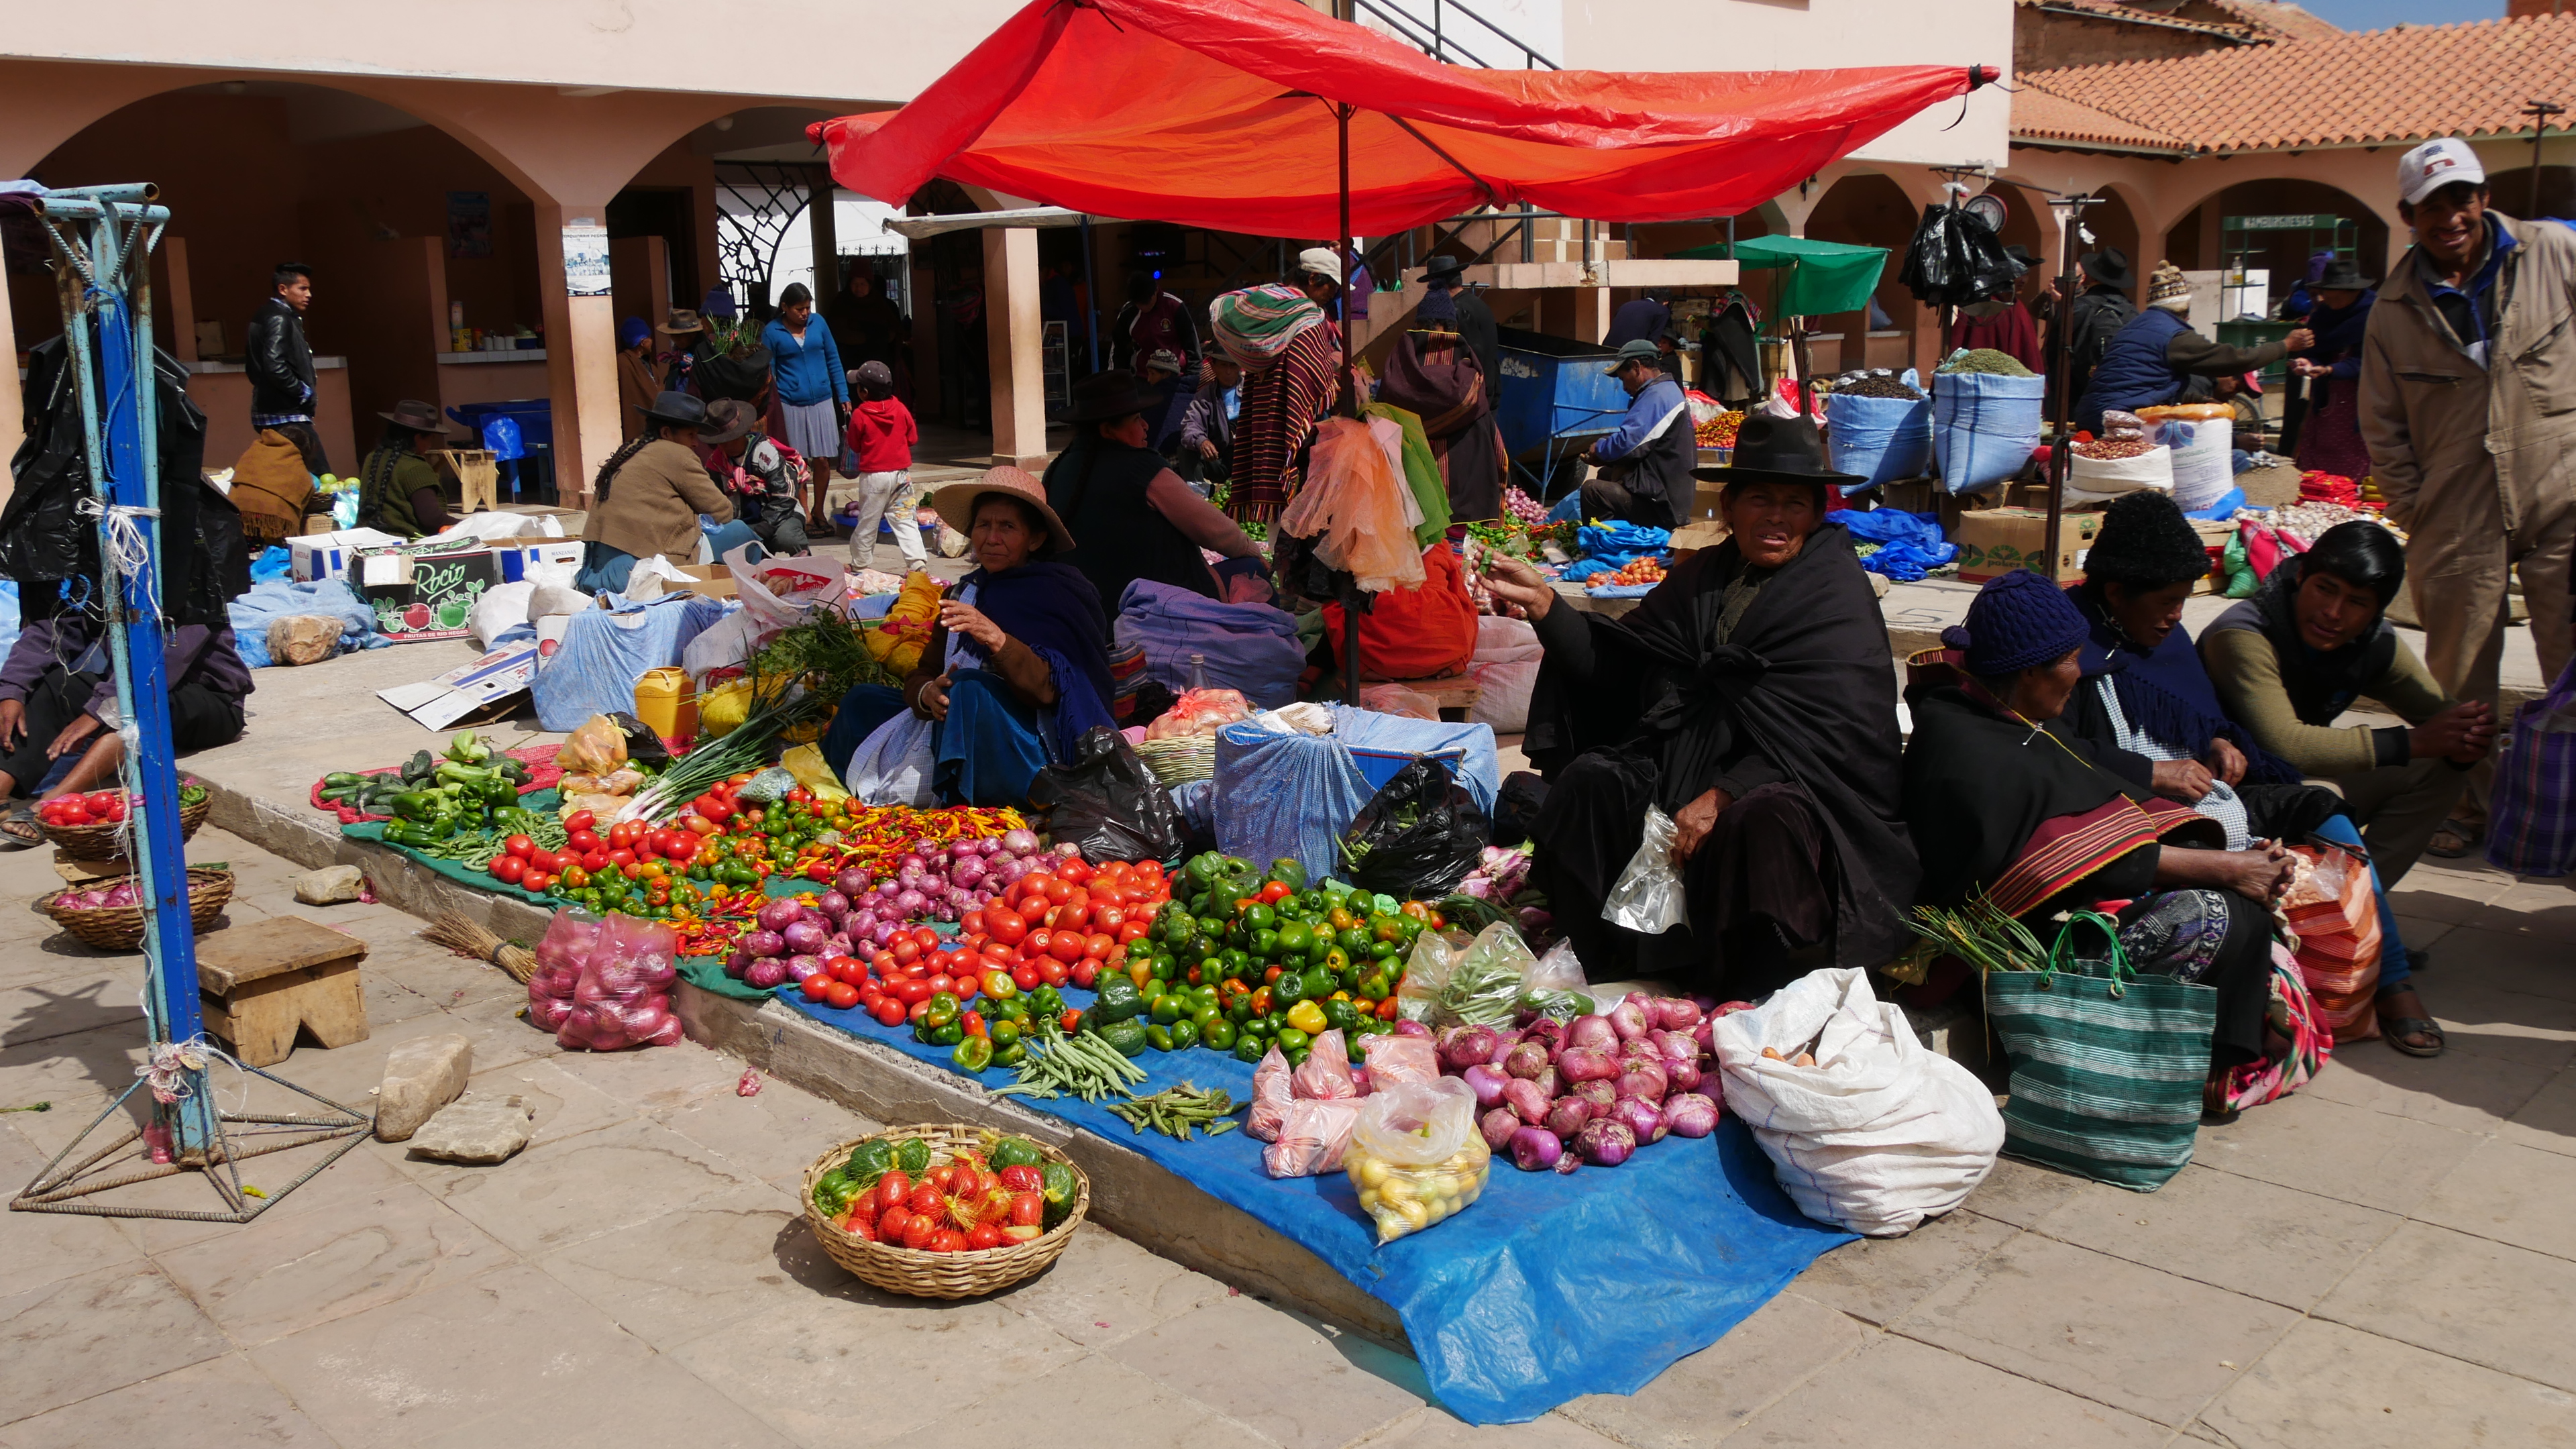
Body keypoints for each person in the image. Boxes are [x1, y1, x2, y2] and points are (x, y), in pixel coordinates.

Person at [1487, 413, 1917, 992]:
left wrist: (1725, 792)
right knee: (1593, 781)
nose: (1776, 517)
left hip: (1795, 781)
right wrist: (1546, 605)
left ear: (1817, 515)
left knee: (1761, 822)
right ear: (1730, 506)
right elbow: (1623, 664)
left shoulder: (1834, 594)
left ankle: (1749, 987)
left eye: (1794, 504)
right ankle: (1602, 960)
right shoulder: (1707, 575)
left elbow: (1840, 733)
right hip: (1686, 760)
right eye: (1760, 499)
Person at [2068, 492, 2441, 1055]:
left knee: (2316, 805)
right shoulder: (2067, 642)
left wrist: (2218, 741)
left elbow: (2197, 713)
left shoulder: (2163, 639)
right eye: (2167, 602)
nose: (2177, 615)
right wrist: (2152, 772)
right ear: (2117, 593)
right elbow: (2053, 748)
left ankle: (2390, 978)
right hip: (2127, 813)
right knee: (2238, 872)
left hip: (2200, 795)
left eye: (2183, 600)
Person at [1905, 570, 2297, 1102]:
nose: (2080, 673)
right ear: (2029, 672)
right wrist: (2228, 869)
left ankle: (2217, 1060)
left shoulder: (2010, 714)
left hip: (2063, 913)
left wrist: (2230, 860)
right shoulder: (1974, 750)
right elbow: (2060, 860)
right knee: (2211, 914)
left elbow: (2089, 779)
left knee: (2237, 898)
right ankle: (2133, 1066)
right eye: (2071, 660)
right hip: (2007, 960)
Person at [2359, 136, 2576, 860]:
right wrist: (2414, 506)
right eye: (2431, 206)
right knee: (2458, 677)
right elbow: (2381, 422)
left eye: (2461, 198)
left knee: (2573, 658)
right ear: (2407, 216)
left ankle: (2568, 807)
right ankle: (2468, 806)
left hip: (2565, 489)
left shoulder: (2553, 252)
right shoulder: (2393, 308)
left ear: (2484, 198)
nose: (2450, 217)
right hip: (2455, 507)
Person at [2202, 521, 2493, 1054]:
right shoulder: (2243, 634)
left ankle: (2357, 922)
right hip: (2236, 799)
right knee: (2320, 789)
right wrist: (2414, 741)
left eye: (2356, 602)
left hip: (2297, 791)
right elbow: (2286, 746)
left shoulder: (2373, 641)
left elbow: (2438, 714)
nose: (2334, 613)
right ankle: (2392, 978)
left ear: (2376, 610)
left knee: (2439, 767)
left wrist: (2468, 734)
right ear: (2300, 578)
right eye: (2325, 590)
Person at [822, 468, 1116, 804]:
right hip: (953, 719)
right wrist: (927, 694)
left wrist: (997, 640)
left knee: (970, 688)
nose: (992, 538)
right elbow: (927, 670)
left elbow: (1050, 690)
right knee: (862, 700)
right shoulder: (965, 592)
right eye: (983, 525)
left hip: (1028, 741)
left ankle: (961, 800)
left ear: (1034, 540)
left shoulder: (1058, 593)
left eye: (1007, 527)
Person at [0, 610, 252, 845]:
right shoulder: (103, 587)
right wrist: (12, 689)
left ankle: (53, 803)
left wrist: (100, 709)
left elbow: (162, 661)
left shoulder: (188, 591)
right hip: (129, 689)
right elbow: (53, 631)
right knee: (53, 685)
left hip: (211, 702)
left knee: (138, 710)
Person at [1043, 371, 1265, 608]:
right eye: (1137, 419)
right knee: (1254, 571)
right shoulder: (1143, 468)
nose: (1146, 426)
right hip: (1152, 605)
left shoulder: (1056, 469)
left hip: (1078, 602)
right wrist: (1252, 551)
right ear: (1107, 430)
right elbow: (1217, 531)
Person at [2077, 263, 2312, 433]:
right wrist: (2285, 345)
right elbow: (2235, 359)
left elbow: (2150, 382)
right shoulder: (2174, 336)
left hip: (2096, 414)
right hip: (2117, 421)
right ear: (2185, 310)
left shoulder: (2139, 325)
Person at [578, 391, 737, 592]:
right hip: (640, 573)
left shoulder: (631, 448)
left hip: (597, 571)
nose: (696, 443)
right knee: (739, 531)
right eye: (691, 435)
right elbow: (722, 511)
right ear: (666, 433)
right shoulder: (678, 454)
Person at [1375, 285, 1505, 522]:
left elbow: (1385, 401)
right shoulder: (1462, 355)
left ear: (1418, 323)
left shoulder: (1402, 357)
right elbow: (1478, 396)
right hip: (1463, 472)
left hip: (1413, 472)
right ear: (1450, 325)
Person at [1212, 284, 1340, 521]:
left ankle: (1276, 538)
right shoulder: (1308, 318)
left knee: (1271, 476)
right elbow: (1313, 374)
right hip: (1299, 417)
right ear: (1313, 279)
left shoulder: (1268, 320)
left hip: (1263, 405)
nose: (1334, 293)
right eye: (1331, 286)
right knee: (1299, 488)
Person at [761, 282, 849, 533]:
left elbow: (833, 359)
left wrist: (843, 394)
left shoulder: (819, 323)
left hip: (822, 400)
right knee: (797, 464)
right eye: (799, 309)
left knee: (822, 460)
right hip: (790, 404)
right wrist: (773, 405)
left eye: (808, 308)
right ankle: (806, 515)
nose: (805, 313)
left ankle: (820, 510)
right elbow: (770, 372)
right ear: (785, 307)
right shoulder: (772, 331)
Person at [1580, 339, 1693, 529]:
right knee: (1606, 474)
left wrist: (1599, 449)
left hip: (1663, 505)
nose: (1624, 387)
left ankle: (1608, 543)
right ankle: (1615, 534)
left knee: (1592, 491)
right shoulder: (1664, 390)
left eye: (1624, 379)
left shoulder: (1658, 396)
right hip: (1659, 489)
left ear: (1636, 367)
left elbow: (1628, 445)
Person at [2288, 257, 2375, 479]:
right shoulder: (2322, 316)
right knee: (2319, 466)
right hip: (2326, 403)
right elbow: (2316, 351)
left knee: (2356, 469)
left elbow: (2369, 362)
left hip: (2362, 405)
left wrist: (2330, 370)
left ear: (2354, 292)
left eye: (2335, 295)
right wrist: (2308, 363)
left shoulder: (2374, 316)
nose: (2326, 299)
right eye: (2325, 294)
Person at [841, 361, 927, 572]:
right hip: (902, 475)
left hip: (874, 478)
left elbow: (854, 445)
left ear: (864, 392)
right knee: (906, 519)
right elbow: (913, 438)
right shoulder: (901, 408)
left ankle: (860, 563)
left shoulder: (860, 415)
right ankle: (917, 563)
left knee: (868, 521)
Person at [698, 399, 809, 557]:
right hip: (744, 522)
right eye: (721, 442)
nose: (725, 446)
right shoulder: (716, 463)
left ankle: (806, 564)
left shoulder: (765, 453)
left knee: (788, 538)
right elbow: (714, 500)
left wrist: (765, 527)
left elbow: (785, 495)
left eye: (730, 440)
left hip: (782, 516)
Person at [247, 262, 327, 475]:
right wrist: (301, 392)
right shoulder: (278, 318)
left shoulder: (267, 314)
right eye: (303, 288)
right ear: (283, 289)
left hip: (273, 410)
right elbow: (274, 365)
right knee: (320, 476)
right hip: (286, 416)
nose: (308, 294)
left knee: (290, 474)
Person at [2049, 247, 2139, 414]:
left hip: (2076, 402)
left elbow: (2053, 354)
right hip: (2123, 401)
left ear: (2089, 276)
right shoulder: (2132, 312)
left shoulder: (2074, 308)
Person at [354, 400, 462, 539]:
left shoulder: (373, 457)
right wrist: (468, 524)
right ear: (418, 438)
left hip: (368, 537)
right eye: (430, 439)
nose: (430, 445)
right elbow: (432, 519)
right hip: (406, 541)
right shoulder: (416, 467)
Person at [1945, 245, 2044, 375]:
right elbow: (1959, 345)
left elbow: (2030, 356)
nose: (2024, 280)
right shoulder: (1981, 305)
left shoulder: (2019, 309)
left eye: (2027, 274)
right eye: (2019, 273)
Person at [1420, 254, 1499, 392]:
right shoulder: (1477, 303)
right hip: (1488, 388)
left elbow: (1472, 354)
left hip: (1476, 394)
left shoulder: (1457, 311)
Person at [1112, 273, 1199, 372]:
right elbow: (1119, 350)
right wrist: (1119, 378)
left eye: (1147, 302)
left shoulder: (1175, 306)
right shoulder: (1128, 312)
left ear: (1156, 290)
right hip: (1143, 374)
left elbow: (1192, 346)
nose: (1144, 308)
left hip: (1176, 374)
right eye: (1140, 304)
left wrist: (1192, 376)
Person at [1177, 354, 1242, 487]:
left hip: (1248, 458)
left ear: (1240, 367)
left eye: (1233, 366)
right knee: (1186, 451)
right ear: (1213, 366)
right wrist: (1202, 441)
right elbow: (1190, 425)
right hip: (1221, 459)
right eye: (1223, 365)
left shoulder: (1252, 389)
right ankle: (1199, 494)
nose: (1228, 372)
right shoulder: (1205, 396)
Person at [826, 267, 904, 375]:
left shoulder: (880, 303)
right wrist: (873, 336)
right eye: (855, 284)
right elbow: (840, 334)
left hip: (879, 363)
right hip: (851, 364)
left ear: (870, 286)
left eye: (863, 284)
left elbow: (894, 330)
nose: (859, 288)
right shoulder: (841, 304)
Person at [1138, 348, 1194, 454]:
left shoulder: (1154, 401)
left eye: (1152, 374)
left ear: (1167, 374)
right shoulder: (1193, 396)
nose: (1149, 379)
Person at [616, 317, 659, 441]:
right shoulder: (623, 363)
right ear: (642, 342)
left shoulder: (650, 366)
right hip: (637, 427)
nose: (652, 341)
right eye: (650, 338)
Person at [655, 308, 706, 392]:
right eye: (673, 335)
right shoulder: (678, 355)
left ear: (692, 334)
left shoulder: (704, 356)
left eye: (679, 336)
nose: (675, 339)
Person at [1603, 288, 1672, 350]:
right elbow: (1654, 338)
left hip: (1607, 348)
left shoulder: (1626, 305)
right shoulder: (1662, 310)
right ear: (1666, 302)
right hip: (1631, 351)